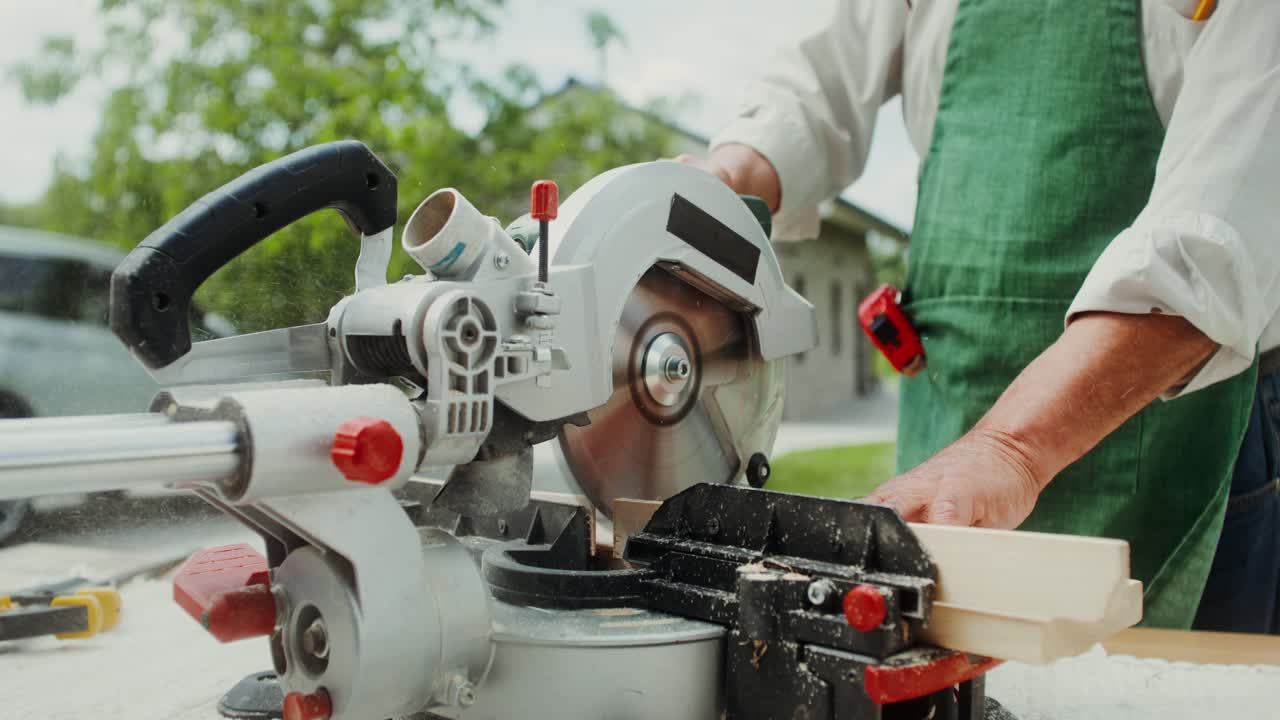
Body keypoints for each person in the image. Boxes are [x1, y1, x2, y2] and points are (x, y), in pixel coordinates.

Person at [678, 0, 1280, 633]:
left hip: (1183, 417)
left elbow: (1224, 227)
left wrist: (1012, 446)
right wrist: (726, 184)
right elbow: (818, 76)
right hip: (952, 407)